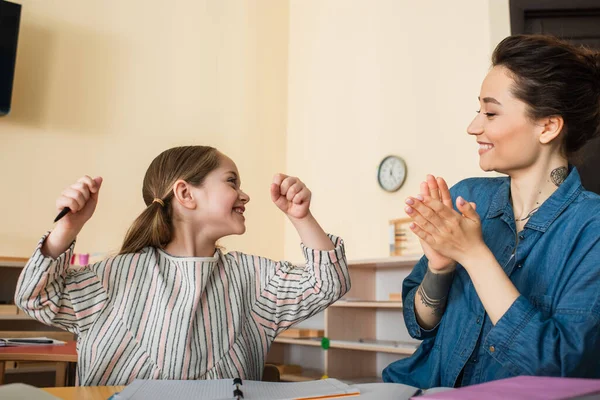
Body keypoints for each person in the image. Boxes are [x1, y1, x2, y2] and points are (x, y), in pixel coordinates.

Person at [15, 145, 350, 385]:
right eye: (232, 182)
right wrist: (68, 227)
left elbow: (328, 282)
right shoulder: (114, 275)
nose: (244, 195)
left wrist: (301, 217)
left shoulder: (253, 278)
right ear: (186, 194)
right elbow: (35, 298)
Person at [383, 34, 600, 387]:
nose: (474, 127)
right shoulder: (467, 197)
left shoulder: (592, 230)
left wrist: (474, 255)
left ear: (547, 127)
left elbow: (562, 366)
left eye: (491, 113)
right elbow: (418, 323)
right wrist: (440, 268)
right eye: (478, 111)